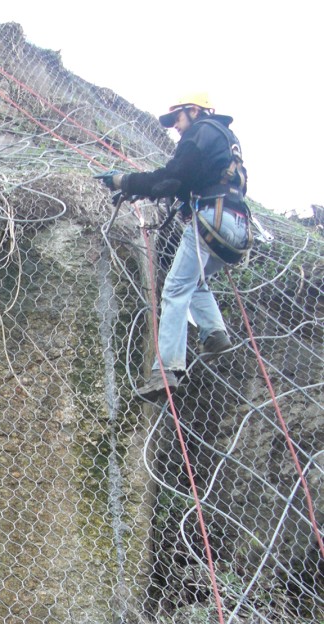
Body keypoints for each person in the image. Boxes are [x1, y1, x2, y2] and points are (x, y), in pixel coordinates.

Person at [95, 93, 251, 401]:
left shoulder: (200, 131)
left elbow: (172, 175)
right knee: (194, 283)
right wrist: (146, 192)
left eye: (177, 119)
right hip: (237, 229)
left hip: (211, 221)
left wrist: (124, 181)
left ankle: (167, 371)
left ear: (193, 110)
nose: (176, 128)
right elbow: (183, 182)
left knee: (175, 290)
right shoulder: (225, 138)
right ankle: (215, 333)